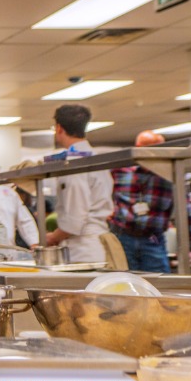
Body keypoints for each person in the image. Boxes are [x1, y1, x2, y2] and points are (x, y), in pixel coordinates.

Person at [109, 130, 191, 273]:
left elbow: (187, 211)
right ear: (138, 147)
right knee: (125, 283)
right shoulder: (121, 170)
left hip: (152, 239)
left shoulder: (169, 173)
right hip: (123, 237)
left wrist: (189, 248)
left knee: (159, 284)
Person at [44, 104, 112, 262]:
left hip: (83, 247)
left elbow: (75, 217)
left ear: (59, 128)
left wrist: (52, 237)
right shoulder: (94, 156)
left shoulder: (74, 162)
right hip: (96, 242)